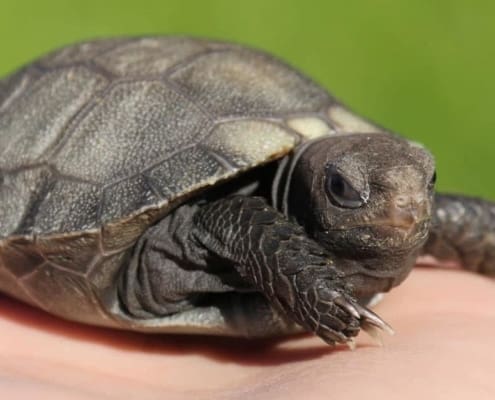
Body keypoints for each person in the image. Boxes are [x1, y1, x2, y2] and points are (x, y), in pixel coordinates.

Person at [0, 266, 493, 399]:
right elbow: (233, 217)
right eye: (343, 192)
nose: (403, 211)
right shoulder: (253, 214)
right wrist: (308, 288)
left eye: (424, 189)